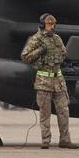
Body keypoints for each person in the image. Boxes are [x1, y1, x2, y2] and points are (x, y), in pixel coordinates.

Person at [21, 13, 78, 149]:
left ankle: (65, 139)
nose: (52, 26)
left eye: (53, 24)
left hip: (58, 80)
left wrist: (57, 57)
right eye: (49, 24)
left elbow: (64, 53)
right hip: (44, 80)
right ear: (42, 25)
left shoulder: (57, 38)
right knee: (45, 113)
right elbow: (25, 56)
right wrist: (41, 50)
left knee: (64, 110)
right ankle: (46, 141)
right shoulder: (36, 39)